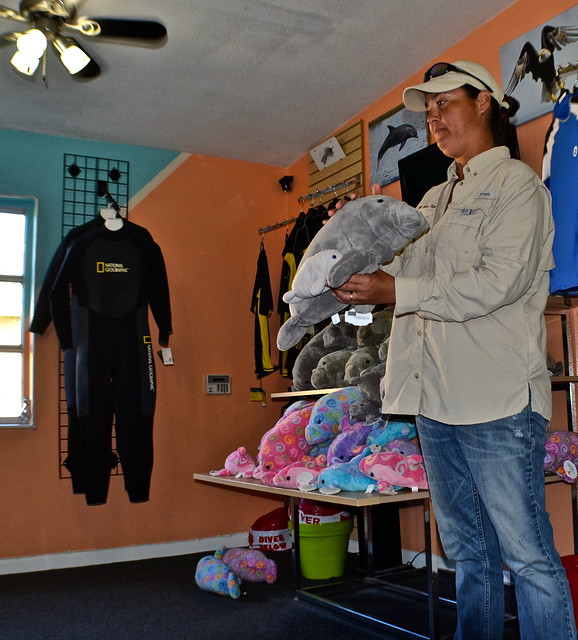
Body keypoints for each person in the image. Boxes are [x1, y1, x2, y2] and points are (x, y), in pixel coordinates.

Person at [332, 60, 577, 640]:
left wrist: (397, 288)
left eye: (444, 102)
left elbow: (499, 283)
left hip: (497, 401)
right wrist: (361, 250)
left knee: (530, 559)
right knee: (468, 556)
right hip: (434, 401)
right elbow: (397, 272)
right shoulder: (433, 200)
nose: (433, 117)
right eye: (428, 110)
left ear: (485, 101)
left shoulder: (519, 186)